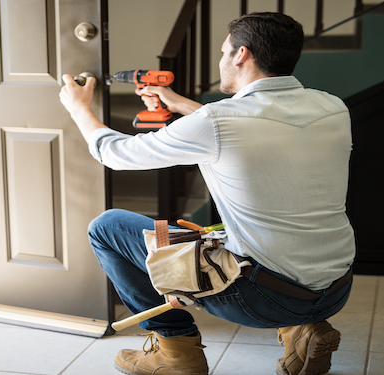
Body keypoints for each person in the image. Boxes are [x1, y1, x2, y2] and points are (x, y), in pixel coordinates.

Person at [59, 12, 355, 375]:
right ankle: (303, 329)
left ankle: (175, 352)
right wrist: (178, 103)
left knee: (107, 226)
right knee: (224, 235)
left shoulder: (217, 121)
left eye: (223, 51)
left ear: (241, 55)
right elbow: (246, 126)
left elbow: (115, 153)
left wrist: (78, 107)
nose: (221, 60)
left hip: (263, 297)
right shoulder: (332, 107)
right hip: (335, 289)